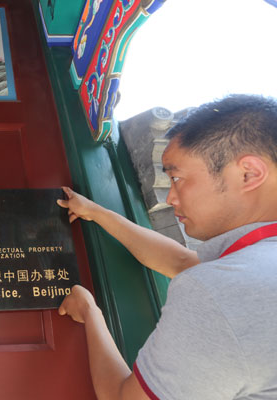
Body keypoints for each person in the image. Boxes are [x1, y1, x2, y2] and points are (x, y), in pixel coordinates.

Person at [56, 94, 277, 400]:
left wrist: (90, 311)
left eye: (177, 177)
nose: (170, 197)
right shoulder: (257, 267)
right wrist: (97, 212)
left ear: (249, 173)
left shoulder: (222, 292)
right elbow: (181, 262)